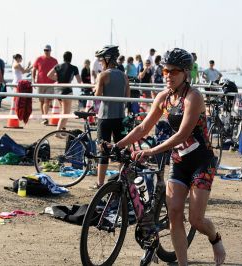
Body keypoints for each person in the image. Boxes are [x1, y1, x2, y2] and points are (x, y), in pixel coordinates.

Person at [112, 48, 226, 265]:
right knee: (174, 213)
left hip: (202, 162)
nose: (168, 75)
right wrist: (116, 145)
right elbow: (144, 127)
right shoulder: (164, 97)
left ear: (185, 73)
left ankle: (215, 237)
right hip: (180, 161)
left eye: (173, 71)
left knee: (196, 219)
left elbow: (183, 133)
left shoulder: (194, 97)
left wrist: (151, 151)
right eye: (165, 70)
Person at [92, 45, 130, 189]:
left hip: (105, 117)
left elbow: (98, 96)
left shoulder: (103, 75)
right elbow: (127, 97)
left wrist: (96, 87)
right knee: (120, 149)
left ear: (107, 60)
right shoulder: (124, 75)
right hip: (120, 116)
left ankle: (100, 183)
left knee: (103, 150)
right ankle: (122, 181)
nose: (100, 62)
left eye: (101, 60)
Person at [47, 51, 82, 131]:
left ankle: (62, 130)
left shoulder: (57, 66)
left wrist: (58, 79)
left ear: (63, 58)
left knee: (63, 112)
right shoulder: (74, 68)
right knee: (65, 113)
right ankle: (58, 131)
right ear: (71, 58)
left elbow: (48, 75)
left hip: (58, 91)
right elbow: (79, 81)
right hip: (67, 91)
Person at [32, 44, 58, 125]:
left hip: (51, 84)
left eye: (47, 50)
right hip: (40, 83)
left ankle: (45, 117)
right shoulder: (39, 59)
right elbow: (34, 69)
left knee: (47, 100)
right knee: (41, 101)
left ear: (50, 51)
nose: (46, 52)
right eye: (45, 50)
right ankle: (44, 117)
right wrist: (33, 80)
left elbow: (57, 71)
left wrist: (57, 80)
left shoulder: (54, 60)